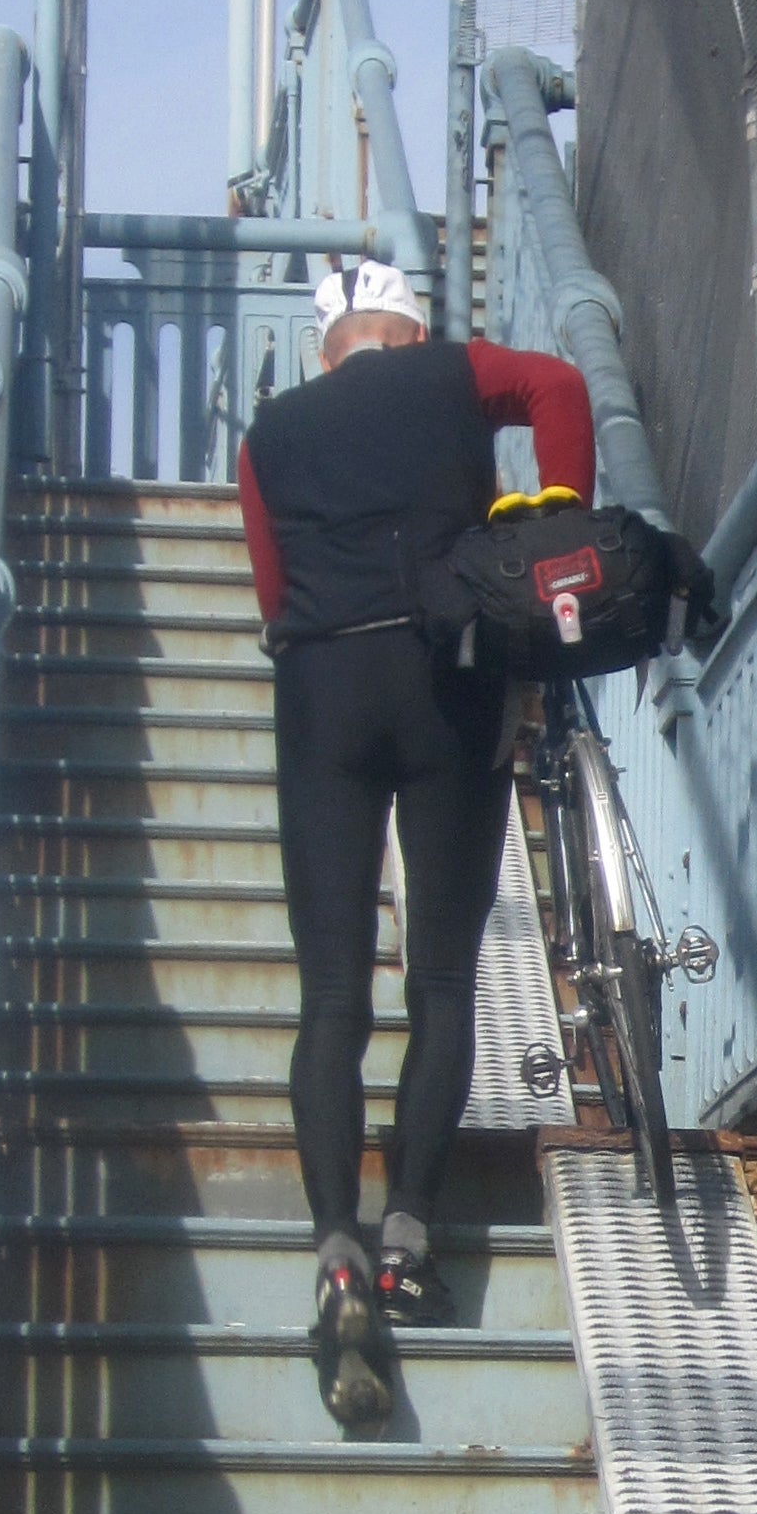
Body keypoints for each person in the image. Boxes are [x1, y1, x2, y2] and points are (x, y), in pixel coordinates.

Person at [238, 257, 594, 1425]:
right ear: (405, 325)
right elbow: (558, 387)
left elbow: (270, 585)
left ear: (327, 344)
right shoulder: (454, 373)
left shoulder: (269, 433)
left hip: (325, 690)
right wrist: (558, 517)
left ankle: (336, 1246)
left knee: (330, 991)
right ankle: (409, 1238)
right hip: (450, 680)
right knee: (441, 975)